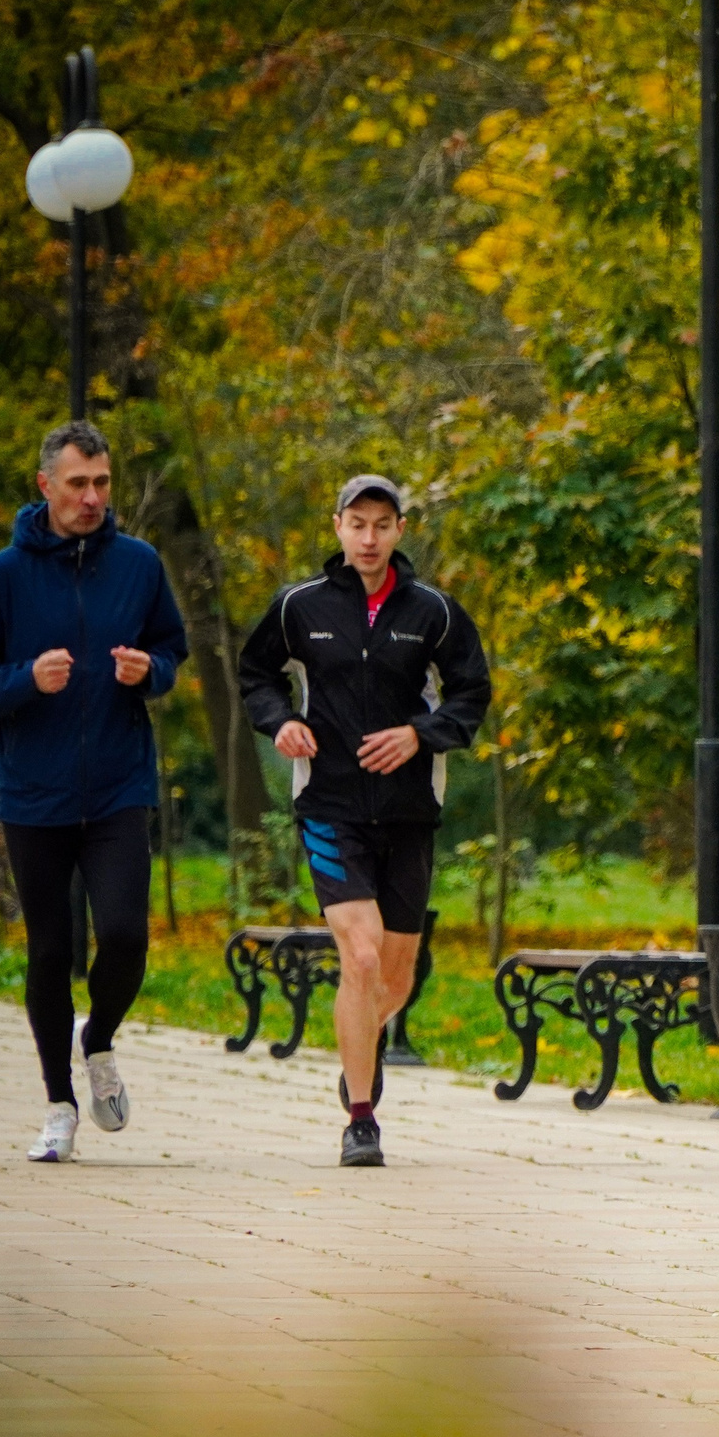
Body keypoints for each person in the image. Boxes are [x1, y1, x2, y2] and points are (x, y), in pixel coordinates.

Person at [0, 422, 190, 1163]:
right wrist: (24, 680)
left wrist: (151, 671)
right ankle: (59, 1105)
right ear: (45, 486)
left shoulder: (140, 566)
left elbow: (172, 647)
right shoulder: (5, 576)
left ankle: (100, 1037)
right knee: (51, 952)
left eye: (103, 483)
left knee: (124, 935)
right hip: (35, 791)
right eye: (78, 483)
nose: (93, 497)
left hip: (118, 783)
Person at [238, 476, 489, 1168]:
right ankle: (360, 1115)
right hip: (331, 804)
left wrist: (421, 734)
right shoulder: (298, 607)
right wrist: (281, 720)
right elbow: (256, 674)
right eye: (357, 523)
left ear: (400, 529)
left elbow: (473, 691)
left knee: (397, 977)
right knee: (364, 953)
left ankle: (356, 1044)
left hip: (408, 808)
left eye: (382, 524)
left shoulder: (433, 612)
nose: (369, 537)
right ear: (338, 526)